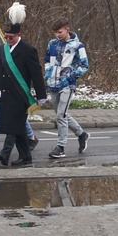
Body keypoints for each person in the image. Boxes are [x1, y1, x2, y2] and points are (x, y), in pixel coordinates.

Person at [0, 2, 47, 167]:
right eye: (6, 37)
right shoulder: (0, 50)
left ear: (19, 35)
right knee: (18, 126)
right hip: (6, 95)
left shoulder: (28, 50)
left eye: (11, 37)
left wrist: (41, 95)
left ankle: (5, 153)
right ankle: (26, 157)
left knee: (13, 125)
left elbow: (36, 74)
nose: (8, 40)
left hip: (20, 95)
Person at [44, 17, 90, 158]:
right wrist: (47, 74)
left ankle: (61, 147)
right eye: (56, 33)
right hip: (53, 84)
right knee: (62, 114)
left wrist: (71, 77)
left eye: (60, 32)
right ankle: (82, 134)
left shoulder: (77, 46)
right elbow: (47, 60)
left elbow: (84, 65)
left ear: (67, 30)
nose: (58, 35)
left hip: (67, 85)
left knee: (60, 115)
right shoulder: (52, 44)